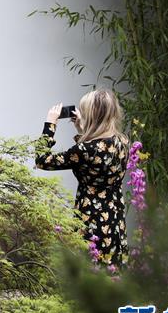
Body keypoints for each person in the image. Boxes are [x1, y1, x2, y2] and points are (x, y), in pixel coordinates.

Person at [36, 89, 129, 266]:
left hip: (91, 218)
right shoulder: (122, 142)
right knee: (111, 269)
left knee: (89, 268)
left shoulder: (84, 150)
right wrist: (82, 130)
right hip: (114, 217)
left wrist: (50, 124)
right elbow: (98, 156)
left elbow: (42, 160)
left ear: (92, 116)